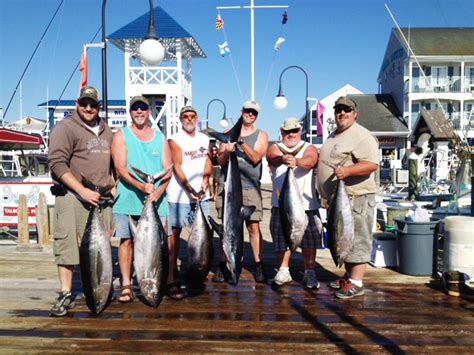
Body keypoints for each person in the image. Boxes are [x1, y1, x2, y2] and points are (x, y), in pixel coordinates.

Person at [48, 86, 114, 316]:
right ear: (77, 104)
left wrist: (113, 187)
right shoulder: (65, 128)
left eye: (93, 105)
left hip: (102, 200)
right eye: (84, 103)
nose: (88, 108)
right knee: (67, 246)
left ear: (99, 107)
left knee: (100, 250)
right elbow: (57, 164)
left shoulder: (107, 131)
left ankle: (99, 286)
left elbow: (113, 165)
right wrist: (81, 190)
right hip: (73, 197)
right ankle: (66, 292)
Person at [111, 95, 172, 303]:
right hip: (128, 197)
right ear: (130, 112)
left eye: (143, 108)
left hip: (156, 200)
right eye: (135, 108)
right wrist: (142, 186)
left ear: (149, 112)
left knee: (159, 244)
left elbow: (168, 171)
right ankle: (127, 284)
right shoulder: (121, 135)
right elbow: (120, 168)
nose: (139, 112)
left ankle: (162, 280)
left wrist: (158, 191)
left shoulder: (160, 137)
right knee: (126, 241)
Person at [317, 96, 379, 299]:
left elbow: (371, 164)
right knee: (343, 238)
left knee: (357, 238)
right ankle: (349, 275)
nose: (342, 113)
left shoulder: (362, 135)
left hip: (356, 198)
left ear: (355, 113)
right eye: (338, 110)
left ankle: (357, 282)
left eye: (347, 110)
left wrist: (348, 171)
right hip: (338, 200)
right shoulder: (335, 134)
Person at [214, 100, 269, 283]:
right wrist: (227, 150)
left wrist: (241, 143)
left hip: (250, 186)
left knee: (253, 227)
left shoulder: (262, 135)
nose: (250, 114)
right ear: (241, 111)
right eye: (247, 111)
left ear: (256, 116)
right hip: (228, 186)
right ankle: (223, 265)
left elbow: (255, 158)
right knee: (227, 227)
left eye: (254, 113)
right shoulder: (227, 135)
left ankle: (258, 264)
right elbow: (221, 162)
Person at [267, 117, 322, 289]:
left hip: (307, 206)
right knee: (281, 239)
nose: (291, 134)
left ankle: (309, 271)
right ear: (282, 132)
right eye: (287, 131)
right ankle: (283, 270)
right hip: (281, 205)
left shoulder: (309, 147)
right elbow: (271, 158)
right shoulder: (275, 147)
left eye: (294, 131)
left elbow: (311, 160)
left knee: (309, 241)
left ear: (300, 131)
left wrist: (296, 161)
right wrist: (283, 159)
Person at [167, 106, 212, 296]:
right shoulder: (174, 140)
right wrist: (189, 189)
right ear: (180, 119)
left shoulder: (204, 138)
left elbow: (207, 160)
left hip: (202, 195)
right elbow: (176, 166)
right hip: (179, 195)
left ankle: (197, 269)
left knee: (203, 236)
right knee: (175, 234)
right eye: (185, 116)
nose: (189, 119)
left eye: (192, 116)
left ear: (197, 118)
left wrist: (206, 179)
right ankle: (171, 271)